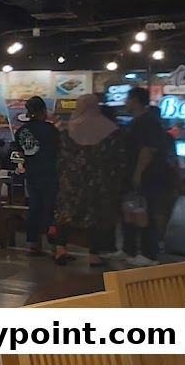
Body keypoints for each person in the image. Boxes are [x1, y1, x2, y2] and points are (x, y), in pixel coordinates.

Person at [50, 94, 127, 266]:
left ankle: (61, 249)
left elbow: (61, 156)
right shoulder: (111, 129)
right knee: (95, 217)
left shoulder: (69, 128)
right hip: (98, 181)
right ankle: (94, 255)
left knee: (65, 215)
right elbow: (119, 159)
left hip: (71, 180)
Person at [120, 87, 176, 266]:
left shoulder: (146, 122)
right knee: (133, 210)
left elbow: (148, 150)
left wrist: (138, 173)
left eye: (127, 99)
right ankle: (129, 250)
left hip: (148, 175)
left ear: (135, 100)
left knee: (146, 212)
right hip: (139, 173)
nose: (125, 103)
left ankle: (148, 254)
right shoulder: (140, 121)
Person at [13, 96, 60, 256]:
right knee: (50, 208)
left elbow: (22, 153)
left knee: (34, 208)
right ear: (43, 111)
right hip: (50, 173)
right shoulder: (51, 129)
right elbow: (59, 151)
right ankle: (55, 247)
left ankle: (33, 244)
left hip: (32, 173)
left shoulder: (22, 131)